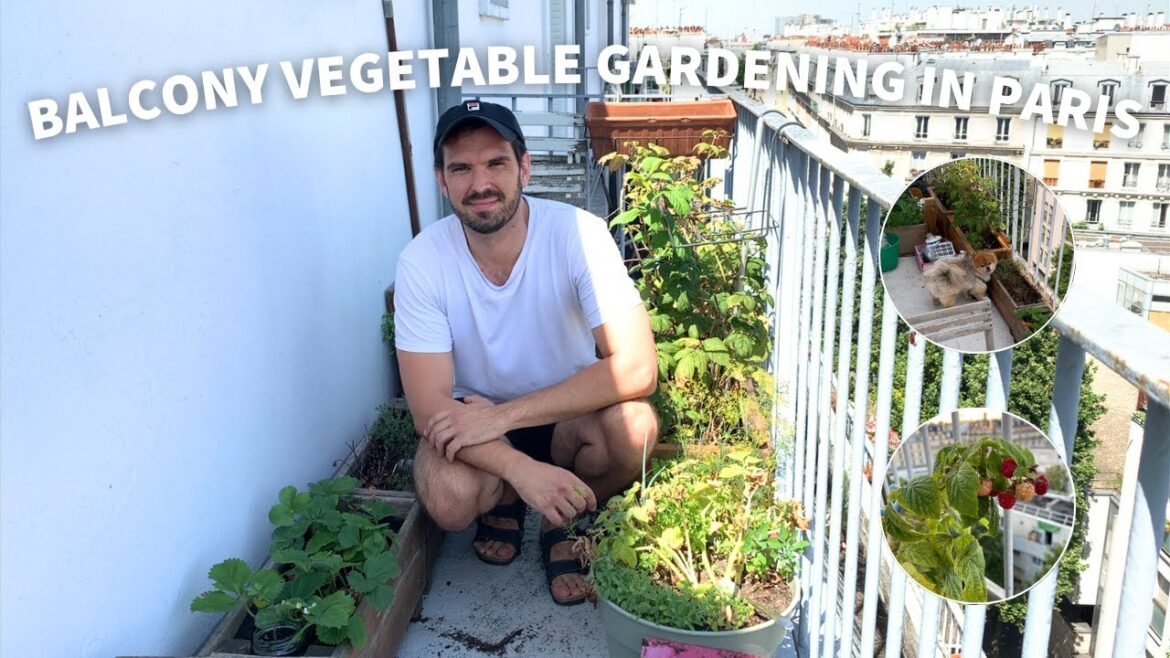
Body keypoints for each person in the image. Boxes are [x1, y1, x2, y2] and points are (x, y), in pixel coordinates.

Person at [393, 100, 659, 606]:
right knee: (446, 498)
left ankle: (568, 520)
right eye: (461, 168)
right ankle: (508, 497)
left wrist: (505, 417)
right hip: (474, 427)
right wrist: (517, 468)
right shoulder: (422, 260)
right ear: (441, 180)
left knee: (636, 431)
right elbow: (430, 411)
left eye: (496, 163)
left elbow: (638, 367)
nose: (480, 183)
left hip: (567, 418)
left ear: (524, 167)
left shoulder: (578, 233)